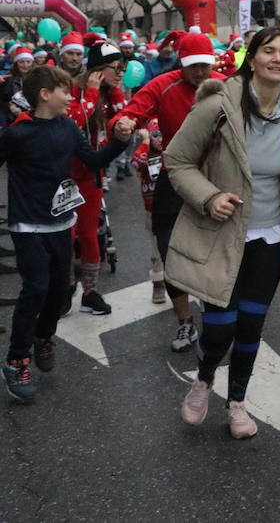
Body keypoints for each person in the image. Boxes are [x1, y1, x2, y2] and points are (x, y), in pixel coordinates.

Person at [165, 28, 280, 438]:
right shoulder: (218, 106)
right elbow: (177, 161)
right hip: (221, 236)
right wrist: (209, 196)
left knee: (251, 327)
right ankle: (203, 379)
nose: (277, 58)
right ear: (250, 59)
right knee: (220, 329)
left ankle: (237, 404)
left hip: (271, 237)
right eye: (268, 51)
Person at [2, 66, 130, 403]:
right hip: (27, 223)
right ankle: (16, 360)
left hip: (61, 221)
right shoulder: (17, 133)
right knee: (36, 287)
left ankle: (43, 336)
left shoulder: (67, 127)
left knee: (59, 291)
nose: (70, 97)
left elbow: (90, 160)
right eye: (64, 91)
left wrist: (121, 143)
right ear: (44, 94)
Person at [114, 33, 226, 352]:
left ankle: (217, 315)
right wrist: (122, 123)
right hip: (175, 175)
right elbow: (133, 112)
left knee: (217, 250)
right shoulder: (163, 84)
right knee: (169, 250)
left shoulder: (226, 83)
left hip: (218, 178)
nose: (200, 72)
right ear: (181, 62)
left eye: (205, 65)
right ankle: (184, 323)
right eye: (193, 66)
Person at [67, 38, 127, 316]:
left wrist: (113, 93)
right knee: (68, 235)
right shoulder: (74, 89)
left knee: (90, 235)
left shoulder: (110, 91)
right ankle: (64, 287)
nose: (121, 72)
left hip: (92, 174)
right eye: (116, 67)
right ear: (98, 70)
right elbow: (73, 123)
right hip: (65, 176)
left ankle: (89, 292)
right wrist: (91, 93)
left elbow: (121, 121)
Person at [130, 120, 168, 304]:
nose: (159, 139)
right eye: (155, 135)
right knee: (156, 250)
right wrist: (145, 143)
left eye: (162, 134)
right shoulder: (146, 155)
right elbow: (135, 164)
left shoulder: (171, 151)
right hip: (152, 211)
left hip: (173, 207)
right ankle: (158, 282)